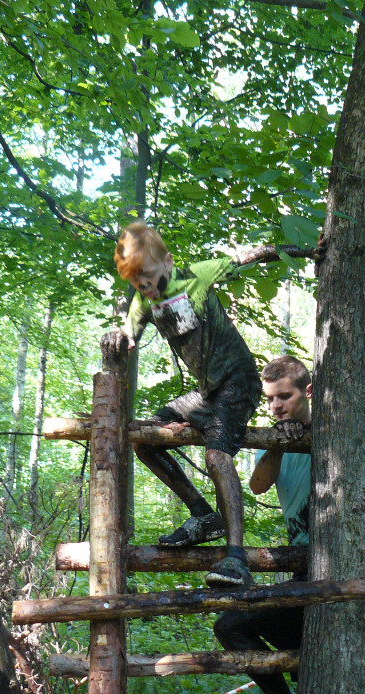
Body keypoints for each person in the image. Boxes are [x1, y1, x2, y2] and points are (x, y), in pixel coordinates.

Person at [102, 221, 273, 588]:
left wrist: (297, 252)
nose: (147, 287)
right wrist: (117, 338)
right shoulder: (142, 303)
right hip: (206, 392)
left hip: (239, 381)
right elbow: (128, 336)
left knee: (216, 455)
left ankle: (236, 557)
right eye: (138, 284)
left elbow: (249, 257)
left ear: (167, 261)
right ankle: (202, 514)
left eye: (149, 277)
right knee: (145, 439)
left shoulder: (198, 275)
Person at [213, 355, 312, 694]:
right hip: (303, 571)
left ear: (307, 392)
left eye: (284, 397)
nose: (276, 406)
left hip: (332, 568)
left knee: (232, 624)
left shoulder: (335, 427)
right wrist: (278, 445)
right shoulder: (270, 438)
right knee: (232, 627)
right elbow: (257, 486)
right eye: (270, 399)